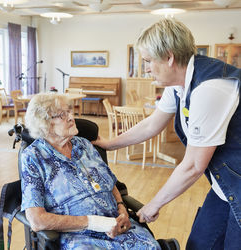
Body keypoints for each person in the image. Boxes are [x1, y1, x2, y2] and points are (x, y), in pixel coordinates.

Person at [93, 18, 241, 250]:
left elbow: (193, 165)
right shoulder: (179, 84)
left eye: (149, 61)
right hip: (227, 183)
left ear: (169, 57)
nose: (147, 68)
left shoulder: (210, 89)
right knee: (200, 244)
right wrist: (109, 144)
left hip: (237, 182)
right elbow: (152, 124)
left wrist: (153, 205)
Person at [20, 93, 162, 249]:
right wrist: (95, 223)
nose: (71, 117)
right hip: (78, 236)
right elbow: (36, 220)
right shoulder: (33, 157)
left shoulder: (85, 145)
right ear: (44, 124)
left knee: (152, 247)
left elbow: (110, 183)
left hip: (118, 227)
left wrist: (122, 210)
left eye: (69, 111)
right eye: (62, 115)